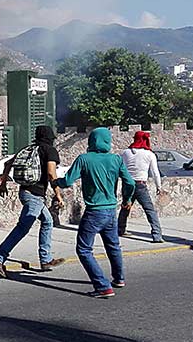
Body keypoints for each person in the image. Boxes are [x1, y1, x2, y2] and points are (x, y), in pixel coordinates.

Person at [55, 127, 136, 298]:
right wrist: (127, 200)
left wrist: (55, 181)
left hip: (94, 212)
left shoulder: (84, 159)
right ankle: (119, 278)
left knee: (84, 249)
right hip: (111, 211)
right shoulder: (116, 159)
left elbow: (67, 181)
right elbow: (130, 182)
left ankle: (102, 286)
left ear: (91, 141)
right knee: (113, 245)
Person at [0, 126, 66, 277]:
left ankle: (46, 259)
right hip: (36, 196)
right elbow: (51, 173)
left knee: (48, 221)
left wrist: (3, 183)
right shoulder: (50, 151)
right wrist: (58, 194)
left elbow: (7, 164)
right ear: (50, 138)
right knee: (23, 227)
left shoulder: (28, 149)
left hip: (25, 192)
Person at [118, 131, 164, 242]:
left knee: (125, 207)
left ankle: (120, 229)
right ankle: (156, 235)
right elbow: (155, 172)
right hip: (140, 184)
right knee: (149, 210)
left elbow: (120, 168)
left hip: (127, 184)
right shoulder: (149, 154)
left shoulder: (125, 153)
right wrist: (159, 186)